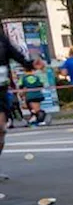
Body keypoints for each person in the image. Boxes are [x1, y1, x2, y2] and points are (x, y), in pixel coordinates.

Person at [0, 33, 36, 176]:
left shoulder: (2, 39)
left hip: (1, 91)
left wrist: (31, 64)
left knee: (1, 130)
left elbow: (16, 55)